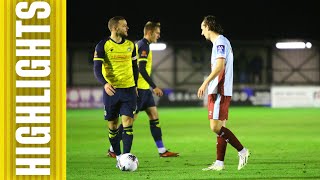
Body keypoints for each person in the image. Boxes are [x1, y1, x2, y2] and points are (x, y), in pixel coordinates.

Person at [107, 21, 179, 158]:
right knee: (128, 121)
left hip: (145, 91)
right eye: (157, 33)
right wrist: (155, 86)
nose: (158, 36)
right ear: (149, 33)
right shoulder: (142, 46)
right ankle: (112, 148)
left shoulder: (145, 45)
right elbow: (141, 69)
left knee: (154, 117)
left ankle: (162, 150)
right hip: (138, 90)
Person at [197, 15, 250, 171]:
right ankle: (219, 163)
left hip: (219, 89)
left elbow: (220, 66)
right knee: (220, 127)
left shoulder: (220, 42)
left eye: (202, 29)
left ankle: (242, 151)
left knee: (215, 127)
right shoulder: (221, 42)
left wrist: (205, 82)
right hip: (221, 89)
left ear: (208, 26)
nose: (202, 33)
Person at [93, 16, 139, 168]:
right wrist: (105, 83)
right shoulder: (103, 45)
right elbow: (97, 69)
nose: (127, 28)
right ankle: (119, 156)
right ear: (114, 28)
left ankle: (126, 157)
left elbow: (134, 68)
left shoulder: (131, 45)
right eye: (124, 26)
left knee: (128, 123)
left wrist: (136, 86)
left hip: (129, 90)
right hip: (112, 91)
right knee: (113, 125)